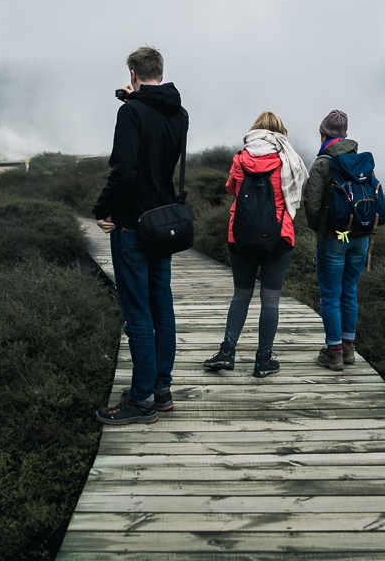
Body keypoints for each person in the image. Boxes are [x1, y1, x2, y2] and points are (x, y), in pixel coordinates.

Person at [92, 46, 188, 425]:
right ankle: (160, 390)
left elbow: (125, 170)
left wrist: (103, 211)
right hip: (162, 224)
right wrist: (141, 100)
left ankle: (142, 399)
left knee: (138, 312)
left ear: (132, 73)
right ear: (160, 72)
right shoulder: (179, 113)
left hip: (132, 224)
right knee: (161, 305)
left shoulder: (130, 111)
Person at [202, 112, 309, 378]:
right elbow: (297, 191)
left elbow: (230, 188)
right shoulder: (288, 159)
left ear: (255, 130)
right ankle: (263, 360)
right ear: (280, 132)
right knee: (270, 299)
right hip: (279, 236)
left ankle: (227, 353)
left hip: (240, 236)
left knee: (241, 294)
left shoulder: (241, 157)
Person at [302, 109, 367, 372]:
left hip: (333, 238)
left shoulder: (323, 163)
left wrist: (318, 228)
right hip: (359, 237)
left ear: (323, 134)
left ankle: (334, 352)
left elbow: (312, 203)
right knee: (349, 291)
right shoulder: (360, 161)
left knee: (330, 295)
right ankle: (349, 349)